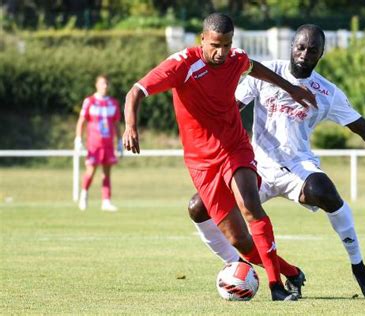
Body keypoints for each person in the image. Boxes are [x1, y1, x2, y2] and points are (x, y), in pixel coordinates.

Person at [187, 24, 365, 299]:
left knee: (325, 191)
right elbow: (228, 111)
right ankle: (236, 264)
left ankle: (358, 267)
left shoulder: (327, 92)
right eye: (300, 47)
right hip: (256, 166)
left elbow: (364, 129)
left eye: (312, 50)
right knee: (198, 207)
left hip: (297, 167)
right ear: (291, 47)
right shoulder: (263, 74)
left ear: (321, 53)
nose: (304, 54)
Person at [122, 13, 317, 301]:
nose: (221, 52)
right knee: (239, 240)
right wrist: (130, 126)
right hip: (202, 164)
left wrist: (291, 89)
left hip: (235, 147)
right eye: (215, 45)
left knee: (250, 205)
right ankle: (290, 271)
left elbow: (254, 68)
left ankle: (276, 287)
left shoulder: (234, 58)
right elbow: (135, 92)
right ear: (202, 39)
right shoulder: (183, 65)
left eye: (226, 45)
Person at [75, 75, 122, 212]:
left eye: (107, 83)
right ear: (96, 85)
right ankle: (84, 195)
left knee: (106, 173)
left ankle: (106, 201)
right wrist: (78, 138)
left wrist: (119, 141)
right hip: (94, 144)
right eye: (102, 83)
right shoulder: (89, 101)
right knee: (90, 171)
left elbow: (116, 124)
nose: (105, 86)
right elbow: (81, 121)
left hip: (108, 144)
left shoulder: (113, 103)